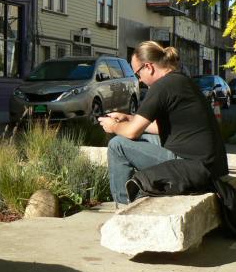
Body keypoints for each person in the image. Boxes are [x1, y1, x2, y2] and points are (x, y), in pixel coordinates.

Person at [98, 40, 228, 205]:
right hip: (210, 164)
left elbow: (132, 132)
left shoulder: (161, 87)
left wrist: (113, 126)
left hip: (191, 166)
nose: (139, 80)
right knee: (139, 139)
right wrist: (129, 118)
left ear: (149, 67)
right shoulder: (181, 80)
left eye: (138, 73)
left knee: (118, 145)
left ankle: (124, 206)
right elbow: (162, 128)